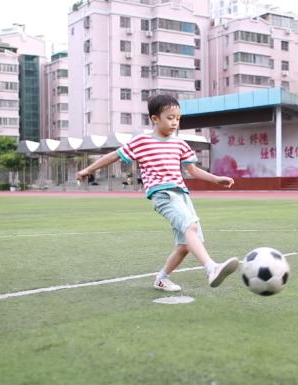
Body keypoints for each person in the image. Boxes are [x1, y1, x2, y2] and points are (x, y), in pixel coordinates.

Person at [76, 94, 238, 292]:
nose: (175, 122)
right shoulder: (142, 141)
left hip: (182, 195)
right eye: (170, 118)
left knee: (186, 245)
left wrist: (216, 179)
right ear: (155, 119)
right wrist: (88, 170)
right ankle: (211, 267)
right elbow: (114, 156)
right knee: (191, 227)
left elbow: (193, 170)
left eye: (178, 119)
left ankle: (161, 278)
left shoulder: (180, 144)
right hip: (162, 194)